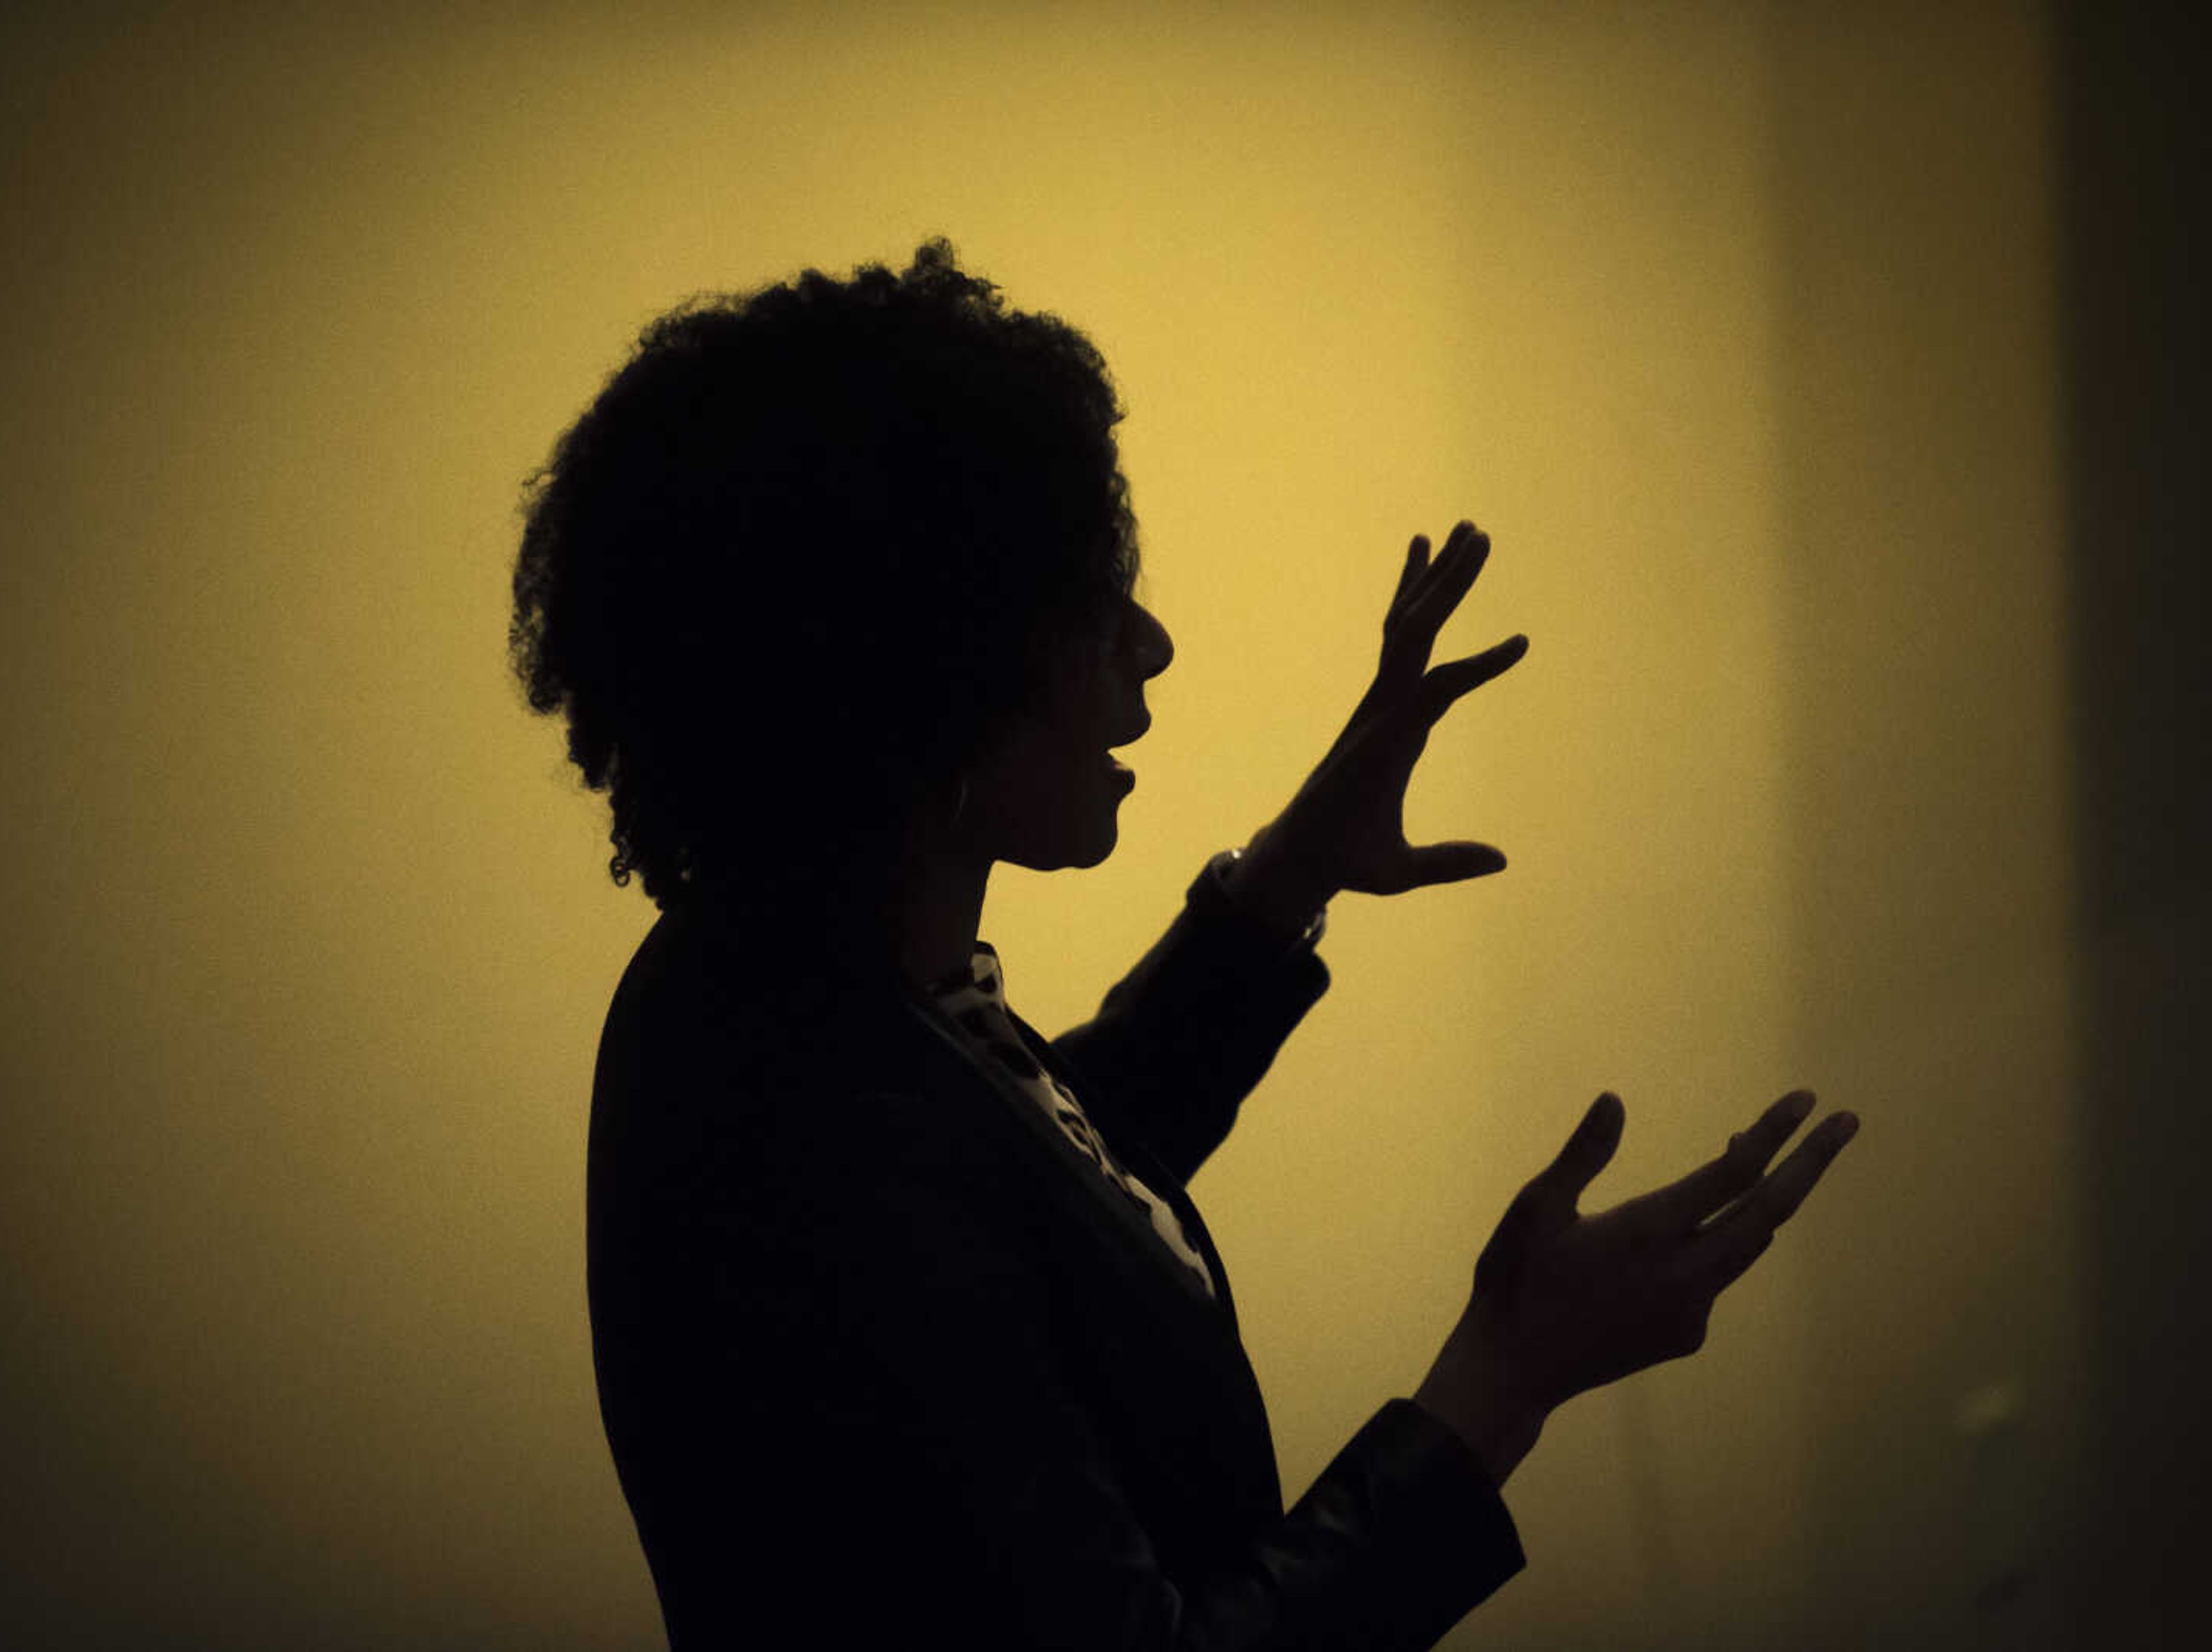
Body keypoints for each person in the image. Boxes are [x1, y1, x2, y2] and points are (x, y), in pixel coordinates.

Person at [509, 239, 1860, 1649]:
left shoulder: (785, 984)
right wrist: (1503, 1379)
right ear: (938, 665)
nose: (1150, 646)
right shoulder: (808, 1125)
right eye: (1101, 601)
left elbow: (1042, 1186)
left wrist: (1295, 872)